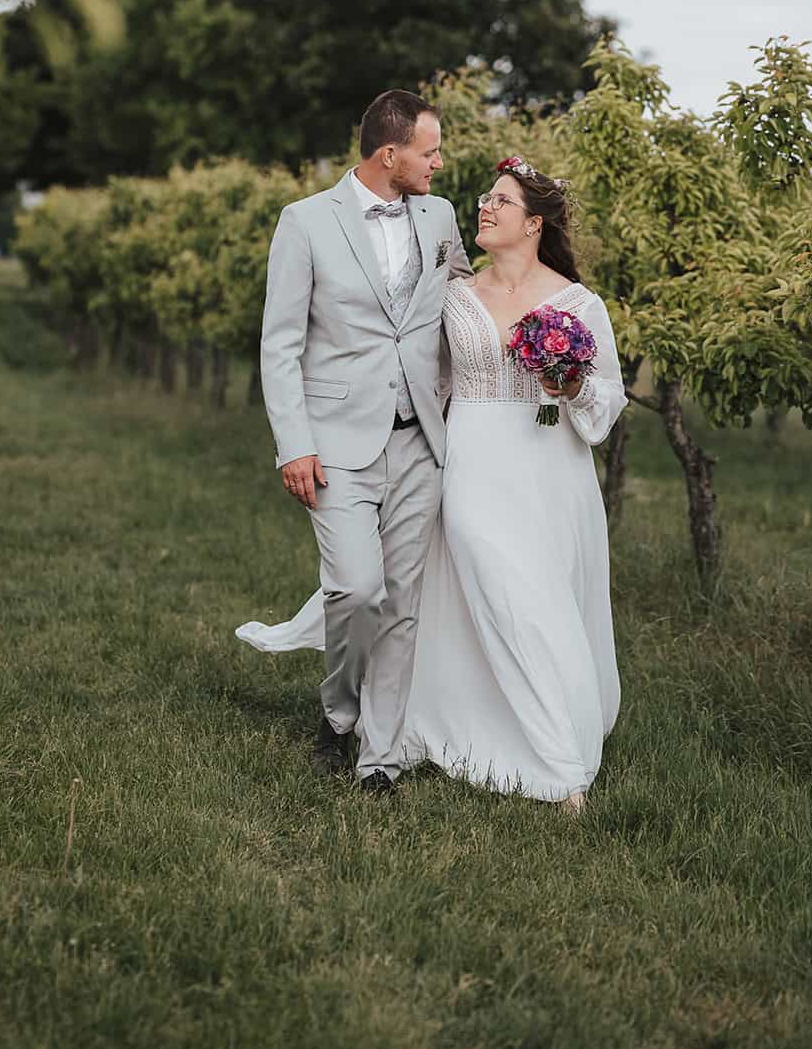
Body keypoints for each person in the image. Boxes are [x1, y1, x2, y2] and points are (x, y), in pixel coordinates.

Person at [238, 153, 626, 814]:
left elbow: (607, 398)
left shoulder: (575, 303)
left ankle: (542, 736)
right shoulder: (449, 294)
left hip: (547, 470)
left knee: (538, 597)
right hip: (468, 458)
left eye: (500, 201)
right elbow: (403, 362)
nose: (484, 206)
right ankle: (556, 765)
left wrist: (572, 383)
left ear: (532, 223)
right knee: (491, 576)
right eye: (484, 197)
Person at [237, 90, 472, 793]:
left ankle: (378, 757)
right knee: (355, 589)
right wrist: (292, 444)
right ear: (388, 154)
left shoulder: (440, 216)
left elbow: (463, 301)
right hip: (335, 440)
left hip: (421, 440)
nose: (438, 162)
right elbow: (279, 344)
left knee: (401, 601)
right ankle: (337, 716)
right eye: (429, 151)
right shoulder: (304, 222)